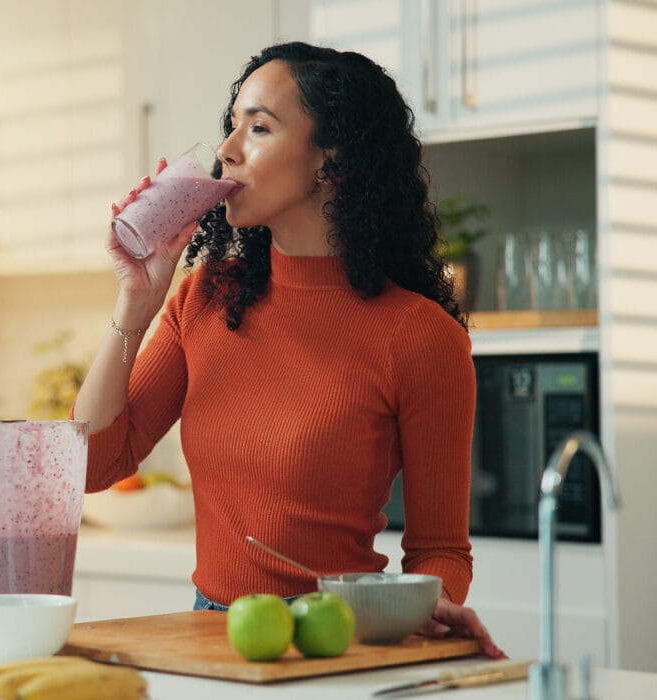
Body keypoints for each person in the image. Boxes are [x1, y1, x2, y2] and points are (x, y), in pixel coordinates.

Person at [72, 41, 503, 657]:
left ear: (331, 160)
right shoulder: (204, 297)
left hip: (342, 638)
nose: (227, 149)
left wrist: (425, 605)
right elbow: (91, 468)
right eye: (232, 125)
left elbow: (441, 549)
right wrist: (135, 304)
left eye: (259, 127)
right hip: (214, 637)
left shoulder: (419, 336)